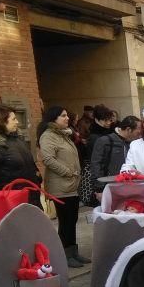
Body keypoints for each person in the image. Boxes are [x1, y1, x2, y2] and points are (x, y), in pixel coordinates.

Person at [37, 106, 90, 269]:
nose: (67, 118)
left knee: (73, 219)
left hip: (71, 185)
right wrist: (67, 172)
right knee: (65, 221)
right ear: (54, 118)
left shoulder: (65, 134)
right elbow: (47, 159)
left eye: (67, 115)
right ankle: (65, 255)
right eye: (63, 116)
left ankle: (73, 252)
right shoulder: (48, 136)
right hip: (60, 186)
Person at [0, 104, 42, 206]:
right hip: (13, 200)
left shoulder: (18, 139)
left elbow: (28, 162)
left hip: (31, 195)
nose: (17, 122)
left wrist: (37, 176)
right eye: (13, 119)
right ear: (2, 121)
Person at [90, 115, 142, 199]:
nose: (139, 136)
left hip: (128, 188)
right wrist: (99, 189)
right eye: (138, 132)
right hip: (109, 187)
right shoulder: (105, 141)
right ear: (128, 129)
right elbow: (96, 165)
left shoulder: (133, 144)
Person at [81, 104, 113, 207]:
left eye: (109, 120)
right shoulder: (95, 138)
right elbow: (96, 162)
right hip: (100, 178)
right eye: (105, 120)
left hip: (106, 176)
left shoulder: (106, 133)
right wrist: (98, 186)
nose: (108, 123)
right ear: (97, 119)